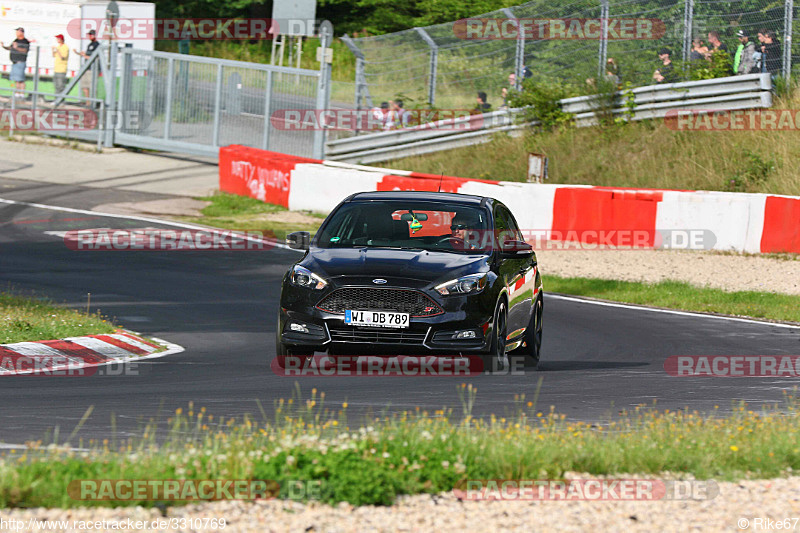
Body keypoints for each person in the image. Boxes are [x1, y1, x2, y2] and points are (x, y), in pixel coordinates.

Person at [1, 28, 30, 98]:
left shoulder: (25, 41)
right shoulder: (16, 40)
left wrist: (16, 48)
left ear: (21, 32)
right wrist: (3, 46)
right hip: (15, 62)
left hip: (20, 62)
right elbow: (11, 48)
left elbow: (25, 50)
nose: (16, 33)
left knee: (20, 79)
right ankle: (17, 93)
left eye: (17, 31)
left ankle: (22, 93)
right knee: (16, 79)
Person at [74, 29, 100, 100]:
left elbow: (95, 57)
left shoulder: (97, 45)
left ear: (94, 35)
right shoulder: (89, 45)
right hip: (86, 68)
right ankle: (87, 101)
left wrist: (84, 55)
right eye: (89, 35)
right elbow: (85, 55)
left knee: (92, 87)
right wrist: (78, 53)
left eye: (91, 35)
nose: (89, 36)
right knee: (85, 86)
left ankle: (92, 102)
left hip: (92, 69)